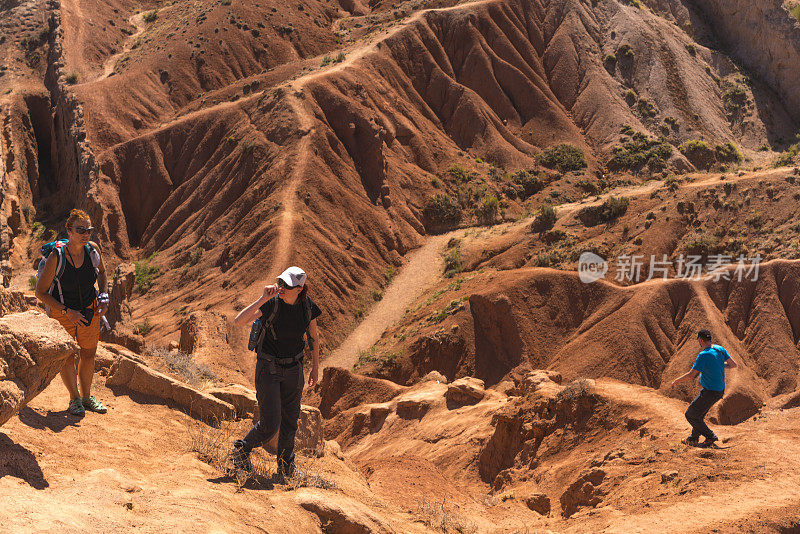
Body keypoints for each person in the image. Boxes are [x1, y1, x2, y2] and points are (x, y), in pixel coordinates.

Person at [230, 266, 321, 479]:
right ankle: (241, 451)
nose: (281, 287)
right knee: (270, 423)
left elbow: (314, 338)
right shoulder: (271, 304)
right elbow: (239, 321)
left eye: (286, 285)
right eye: (280, 282)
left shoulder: (308, 307)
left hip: (294, 369)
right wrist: (262, 298)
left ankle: (285, 467)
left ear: (299, 289)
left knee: (290, 421)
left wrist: (315, 368)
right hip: (268, 368)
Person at [35, 209, 109, 417]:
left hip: (89, 310)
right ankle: (74, 399)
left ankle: (87, 397)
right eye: (81, 230)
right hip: (62, 314)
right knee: (67, 356)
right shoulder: (56, 258)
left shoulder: (92, 250)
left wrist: (104, 296)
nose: (86, 234)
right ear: (69, 230)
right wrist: (67, 311)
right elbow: (40, 292)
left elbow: (102, 273)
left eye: (89, 230)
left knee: (88, 353)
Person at [670, 329, 737, 447]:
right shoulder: (719, 349)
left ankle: (710, 436)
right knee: (699, 415)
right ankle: (693, 438)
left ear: (700, 340)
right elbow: (733, 365)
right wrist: (717, 365)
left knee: (690, 414)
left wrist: (677, 381)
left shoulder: (704, 354)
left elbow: (691, 375)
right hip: (718, 390)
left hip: (710, 392)